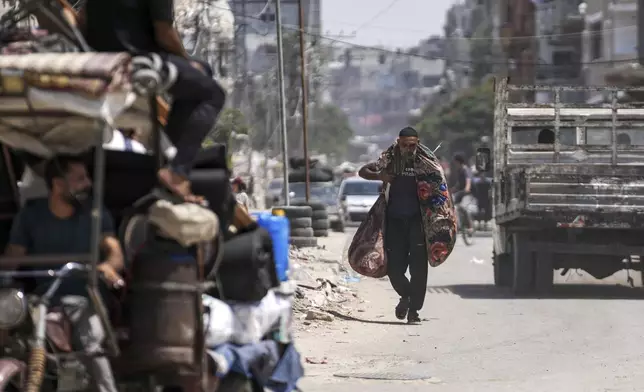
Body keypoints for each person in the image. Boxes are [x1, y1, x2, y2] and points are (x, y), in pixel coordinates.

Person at [77, 0, 226, 202]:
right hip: (138, 61)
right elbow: (164, 33)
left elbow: (82, 18)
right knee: (213, 94)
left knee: (197, 80)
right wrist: (186, 60)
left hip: (102, 59)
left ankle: (168, 161)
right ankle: (177, 171)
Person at [4, 156, 124, 392]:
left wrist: (108, 267)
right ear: (58, 184)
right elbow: (12, 258)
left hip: (86, 301)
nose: (87, 184)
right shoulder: (31, 216)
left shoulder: (94, 213)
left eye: (87, 177)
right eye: (80, 179)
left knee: (91, 344)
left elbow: (114, 251)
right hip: (43, 301)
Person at [357, 127, 429, 324]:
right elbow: (363, 171)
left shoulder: (425, 162)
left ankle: (414, 311)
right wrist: (381, 176)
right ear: (399, 142)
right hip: (395, 222)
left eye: (412, 145)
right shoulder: (388, 160)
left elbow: (440, 185)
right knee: (394, 269)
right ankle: (406, 296)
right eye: (404, 144)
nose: (408, 149)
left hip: (418, 223)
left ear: (418, 143)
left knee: (419, 270)